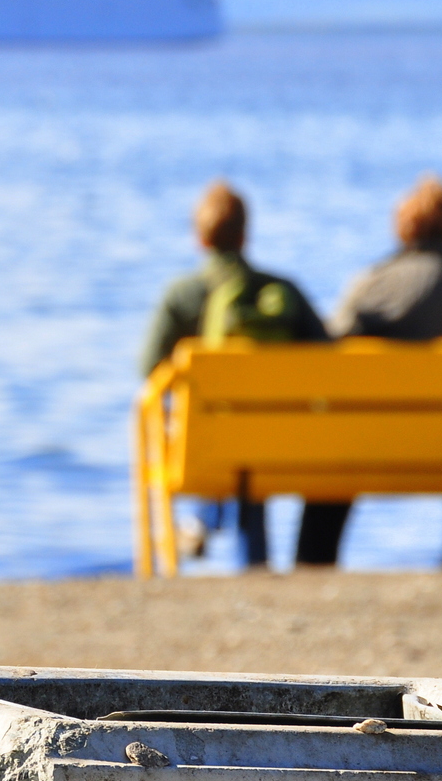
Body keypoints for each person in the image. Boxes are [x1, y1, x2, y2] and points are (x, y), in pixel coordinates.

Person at [297, 174, 442, 570]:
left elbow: (327, 358)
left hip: (369, 449)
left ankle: (314, 563)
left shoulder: (371, 287)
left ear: (404, 228)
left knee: (335, 453)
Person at [140, 181, 327, 568]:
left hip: (202, 442)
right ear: (246, 235)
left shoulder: (182, 295)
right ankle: (250, 564)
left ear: (200, 238)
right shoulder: (282, 291)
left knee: (221, 436)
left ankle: (201, 521)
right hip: (281, 440)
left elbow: (147, 368)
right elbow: (329, 358)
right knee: (246, 444)